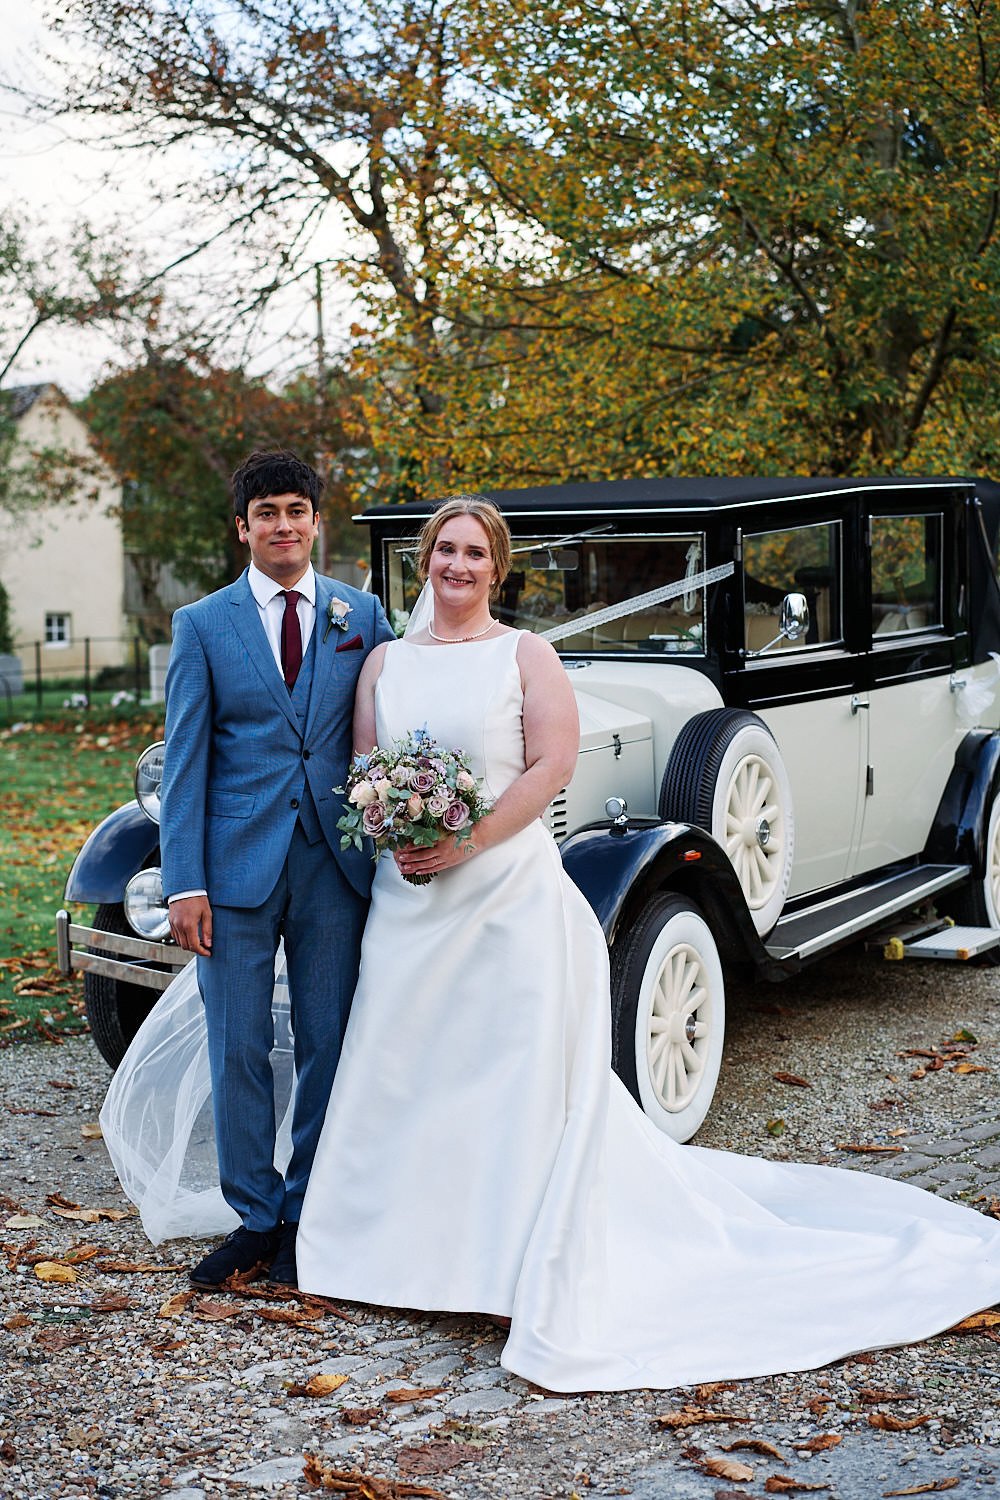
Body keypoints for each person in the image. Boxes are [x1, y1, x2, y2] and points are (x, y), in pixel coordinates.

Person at [105, 493, 1000, 1391]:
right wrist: (398, 828)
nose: (458, 565)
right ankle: (356, 1236)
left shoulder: (527, 653)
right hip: (402, 894)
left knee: (504, 1064)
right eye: (444, 550)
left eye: (475, 553)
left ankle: (503, 1252)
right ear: (425, 563)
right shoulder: (380, 654)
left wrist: (466, 839)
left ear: (497, 566)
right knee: (395, 1061)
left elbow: (554, 763)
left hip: (499, 885)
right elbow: (364, 770)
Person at [157, 449, 394, 1290]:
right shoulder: (202, 624)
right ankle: (253, 1215)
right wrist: (184, 881)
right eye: (267, 513)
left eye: (297, 509)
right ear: (243, 528)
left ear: (316, 521)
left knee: (329, 1041)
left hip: (335, 867)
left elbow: (397, 719)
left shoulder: (360, 612)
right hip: (232, 872)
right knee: (240, 1046)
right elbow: (184, 763)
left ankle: (306, 1212)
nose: (283, 525)